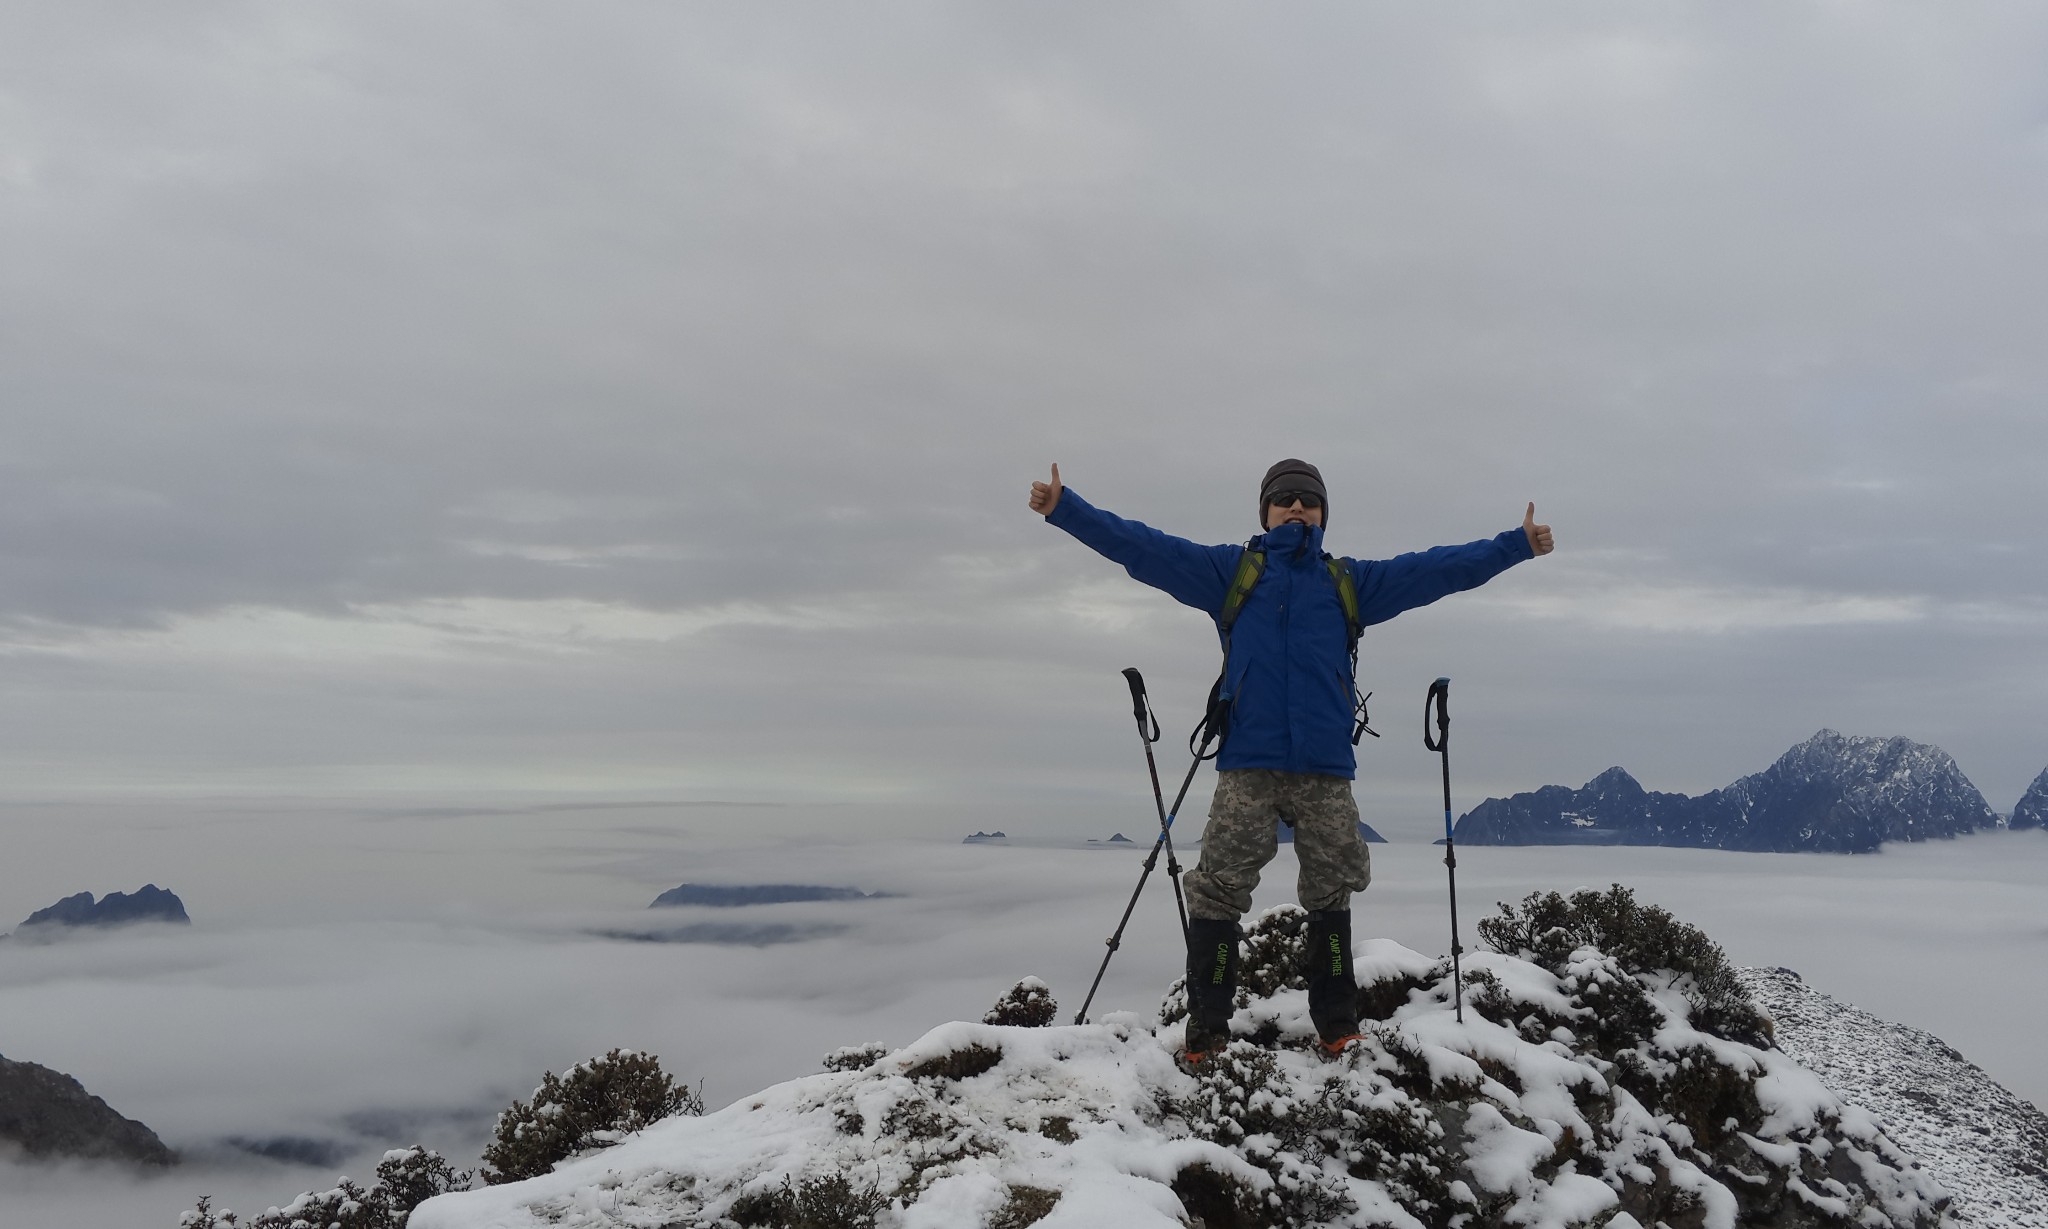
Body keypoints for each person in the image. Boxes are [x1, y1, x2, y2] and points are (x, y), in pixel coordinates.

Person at [1027, 459, 1553, 1061]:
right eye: (1285, 500)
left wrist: (1515, 546)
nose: (1297, 508)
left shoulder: (1347, 582)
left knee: (1331, 894)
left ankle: (1337, 1026)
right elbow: (1144, 548)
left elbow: (1436, 570)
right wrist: (1066, 510)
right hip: (1247, 762)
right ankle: (1206, 1031)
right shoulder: (1232, 573)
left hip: (1325, 768)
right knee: (1218, 893)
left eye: (1308, 500)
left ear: (1324, 513)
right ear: (1265, 511)